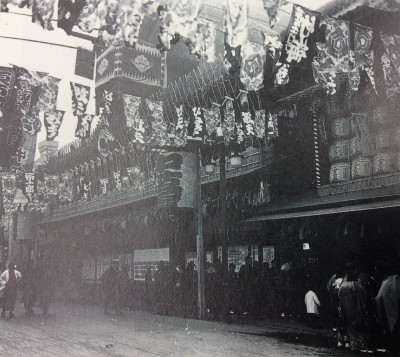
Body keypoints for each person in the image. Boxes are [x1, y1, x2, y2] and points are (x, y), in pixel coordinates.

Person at [338, 263, 372, 352]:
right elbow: (365, 297)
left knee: (351, 329)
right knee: (359, 331)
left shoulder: (343, 285)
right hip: (357, 311)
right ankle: (359, 346)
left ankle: (353, 346)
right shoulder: (356, 285)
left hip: (347, 312)